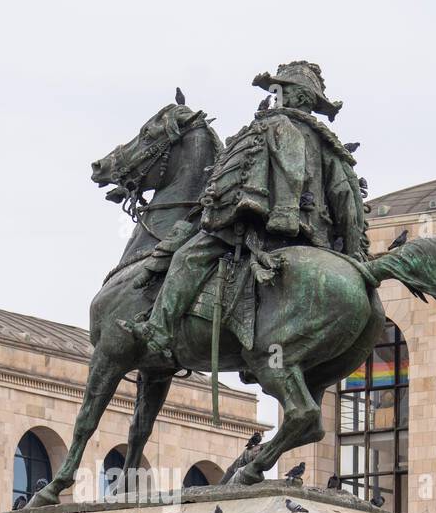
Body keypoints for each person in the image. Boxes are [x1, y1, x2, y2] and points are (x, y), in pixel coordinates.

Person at [119, 61, 365, 361]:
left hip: (260, 228)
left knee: (187, 257)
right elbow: (346, 198)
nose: (277, 96)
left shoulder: (271, 127)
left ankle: (158, 328)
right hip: (313, 240)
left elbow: (247, 181)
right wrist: (352, 256)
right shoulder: (329, 145)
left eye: (282, 90)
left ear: (298, 96)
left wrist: (222, 211)